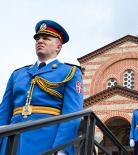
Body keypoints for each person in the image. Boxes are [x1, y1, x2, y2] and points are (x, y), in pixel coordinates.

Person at [0, 20, 83, 155]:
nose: (40, 41)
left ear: (58, 46)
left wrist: (62, 149)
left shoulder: (70, 72)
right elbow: (3, 113)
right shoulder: (18, 74)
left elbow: (72, 114)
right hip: (11, 142)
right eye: (37, 38)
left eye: (46, 38)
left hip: (46, 142)